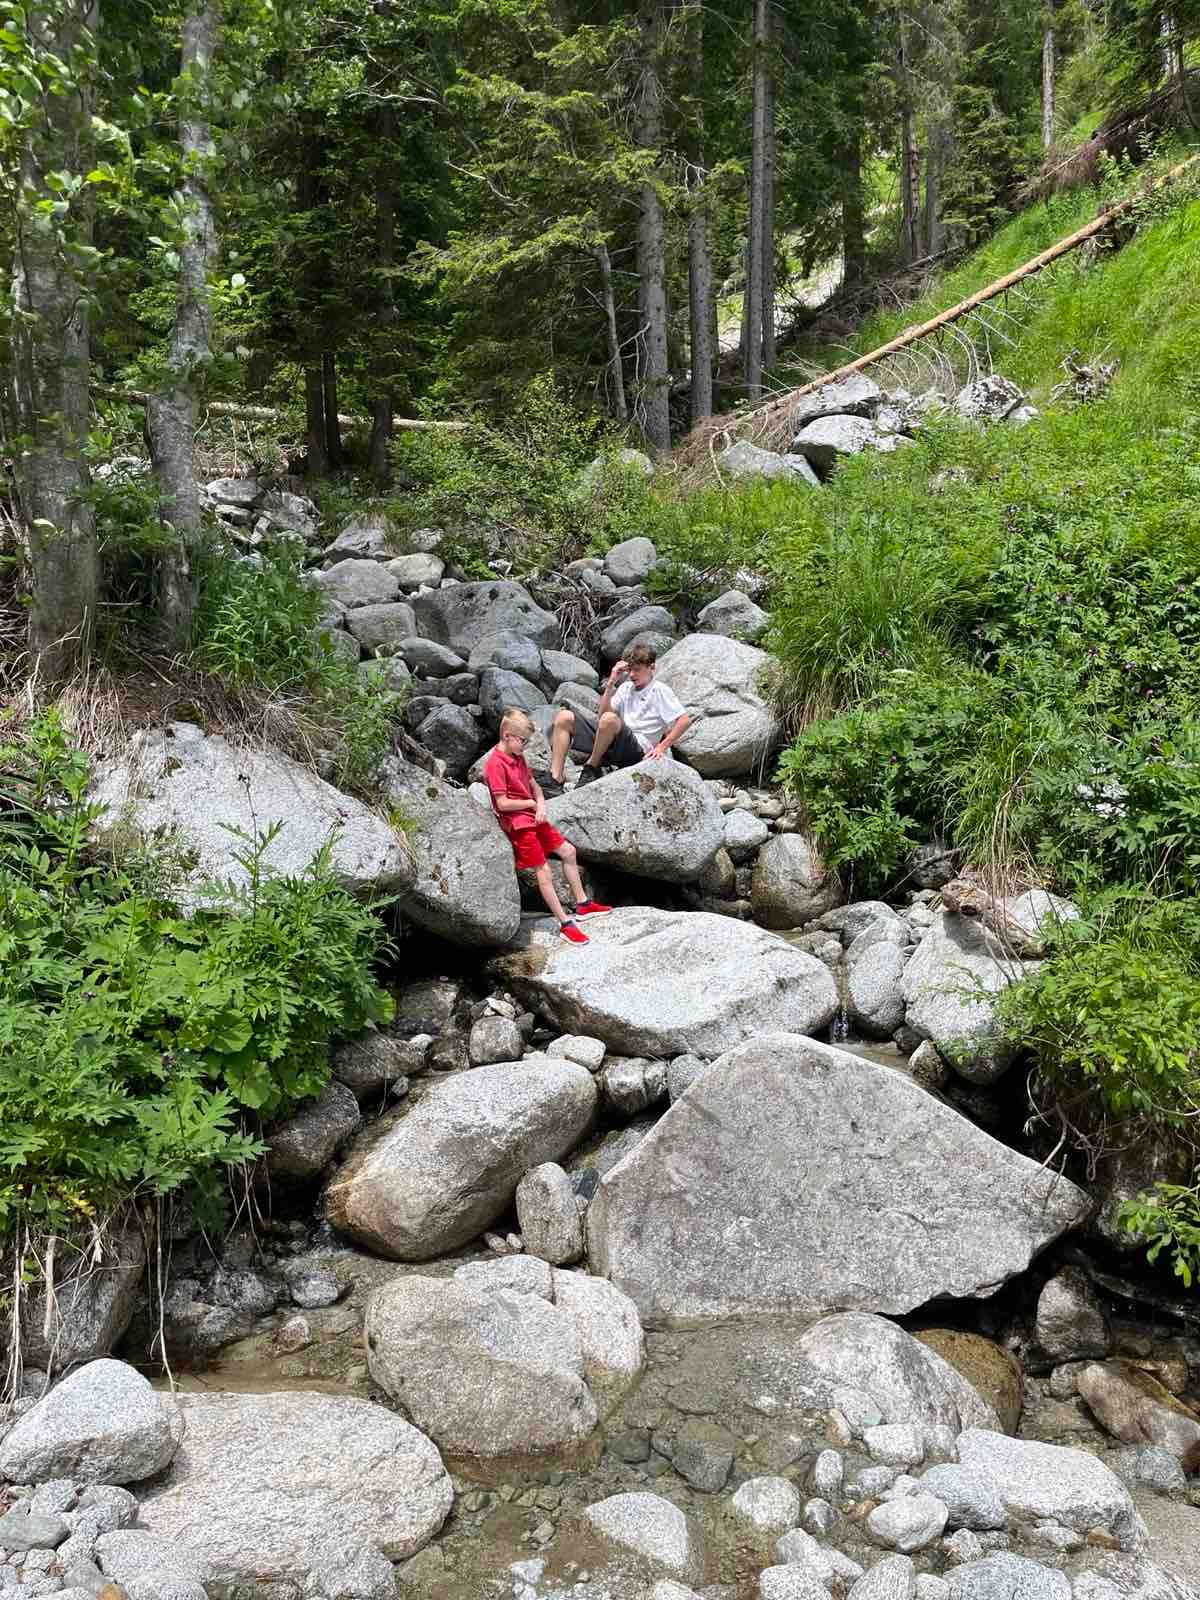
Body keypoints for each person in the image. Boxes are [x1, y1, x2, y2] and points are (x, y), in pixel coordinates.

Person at [483, 708, 612, 944]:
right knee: (543, 871)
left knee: (569, 851)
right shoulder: (495, 764)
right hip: (519, 825)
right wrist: (530, 803)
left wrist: (540, 804)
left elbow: (535, 786)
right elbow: (502, 803)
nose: (524, 746)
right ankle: (564, 922)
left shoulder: (517, 757)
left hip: (534, 817)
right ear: (506, 735)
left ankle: (583, 904)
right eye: (522, 741)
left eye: (526, 741)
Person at [543, 641, 690, 794]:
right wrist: (611, 682)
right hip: (612, 742)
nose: (632, 675)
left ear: (651, 667)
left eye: (637, 670)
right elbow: (602, 717)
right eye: (630, 670)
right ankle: (556, 778)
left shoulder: (659, 690)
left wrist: (661, 747)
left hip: (637, 749)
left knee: (609, 719)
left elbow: (684, 720)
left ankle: (591, 767)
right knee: (564, 717)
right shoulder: (626, 688)